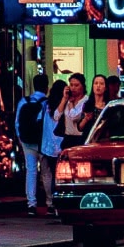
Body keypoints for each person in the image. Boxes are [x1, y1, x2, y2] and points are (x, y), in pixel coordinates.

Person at [17, 74, 51, 215]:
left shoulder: (23, 101)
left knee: (31, 171)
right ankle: (50, 203)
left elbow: (17, 123)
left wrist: (21, 139)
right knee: (46, 173)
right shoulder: (48, 103)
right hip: (42, 143)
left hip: (27, 142)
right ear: (47, 87)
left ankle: (31, 203)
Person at [40, 79, 68, 220]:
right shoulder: (65, 105)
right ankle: (57, 204)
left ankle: (50, 203)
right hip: (61, 145)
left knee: (49, 176)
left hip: (48, 146)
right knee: (59, 177)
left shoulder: (46, 105)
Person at [60, 73, 92, 147]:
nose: (73, 88)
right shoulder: (68, 99)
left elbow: (75, 117)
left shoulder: (86, 101)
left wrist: (71, 103)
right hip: (67, 137)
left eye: (76, 85)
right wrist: (64, 99)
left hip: (80, 138)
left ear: (82, 86)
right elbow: (56, 116)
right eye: (71, 85)